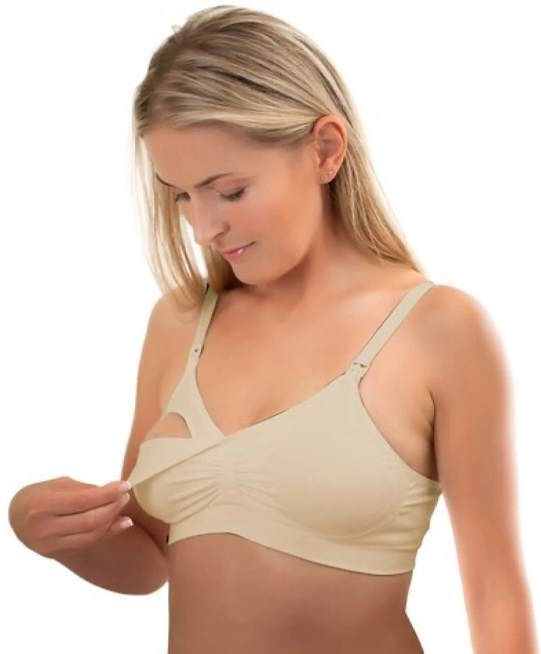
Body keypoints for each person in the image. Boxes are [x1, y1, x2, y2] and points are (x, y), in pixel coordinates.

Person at [8, 6, 538, 653]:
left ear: (325, 150)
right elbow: (149, 558)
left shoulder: (438, 330)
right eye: (181, 195)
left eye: (229, 191)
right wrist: (47, 531)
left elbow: (494, 594)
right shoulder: (180, 322)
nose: (205, 227)